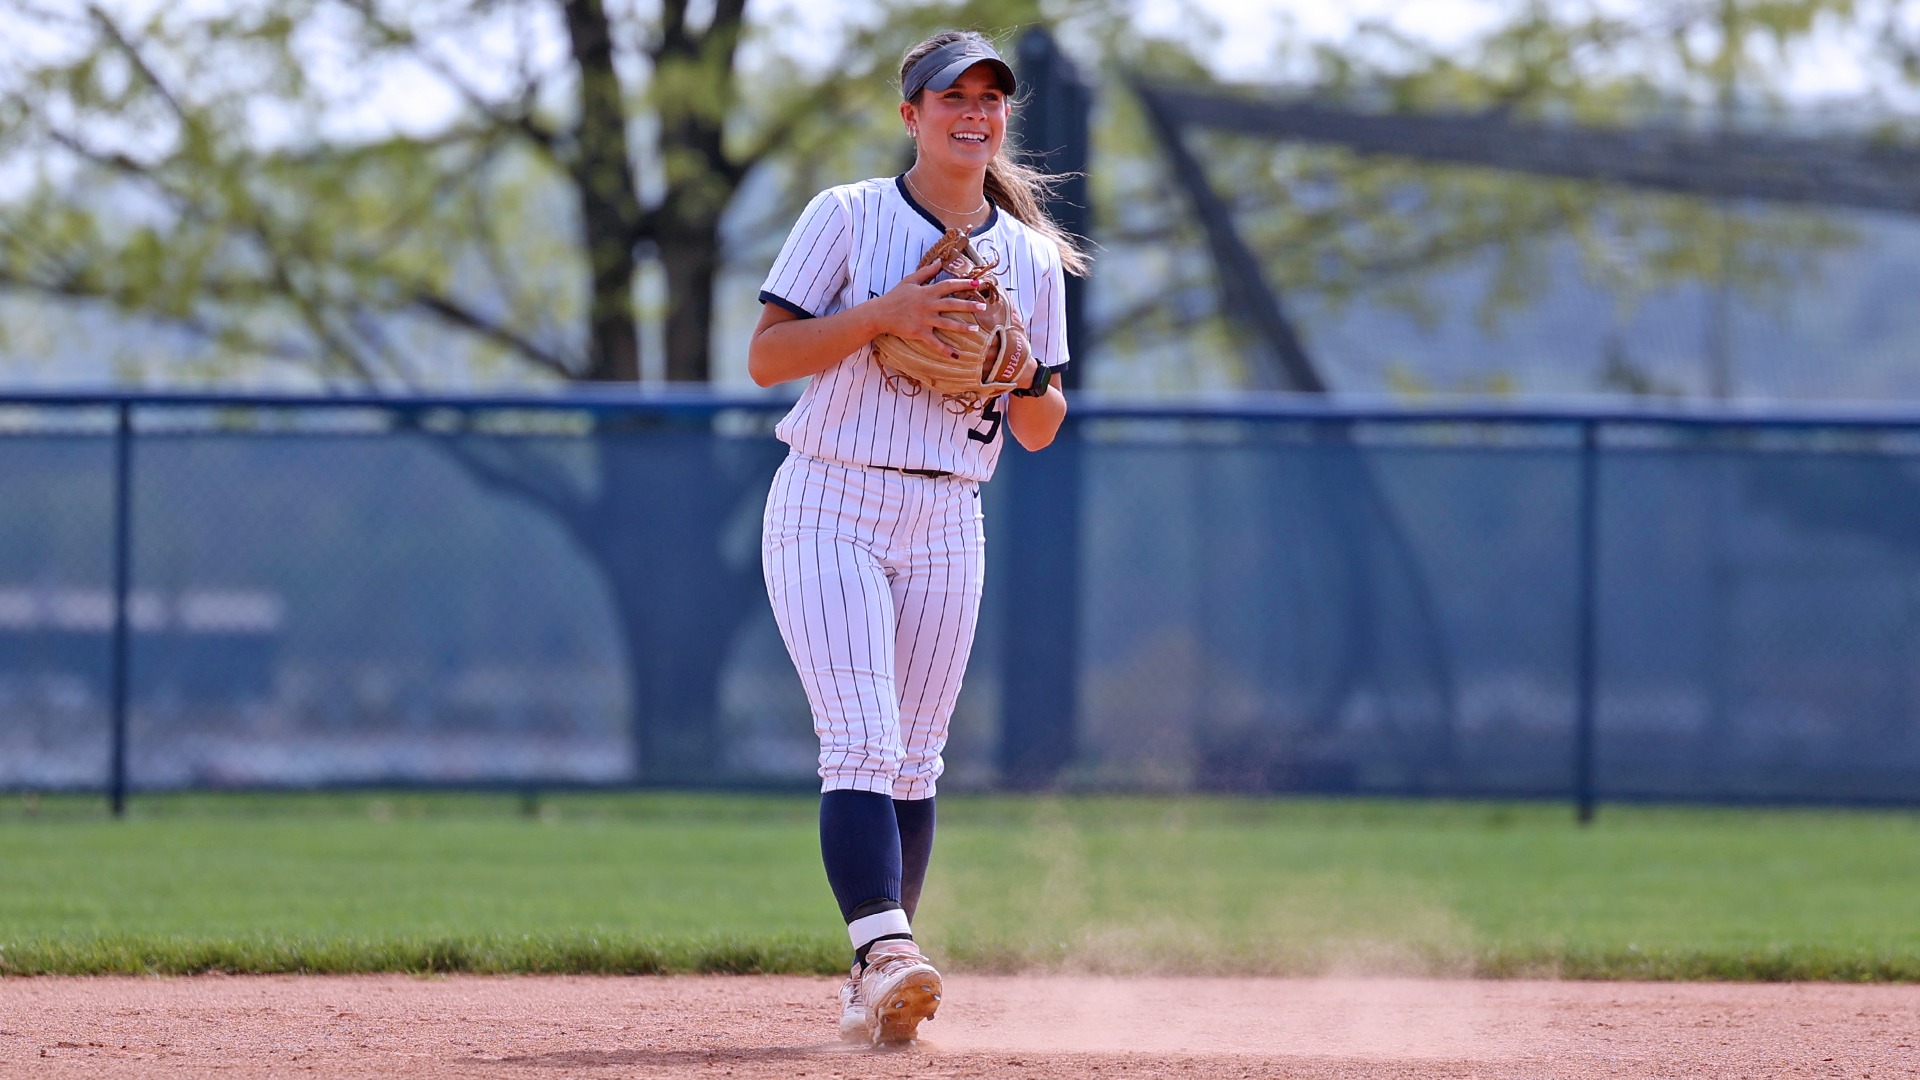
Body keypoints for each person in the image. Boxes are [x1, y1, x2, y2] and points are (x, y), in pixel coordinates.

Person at [747, 29, 1090, 1047]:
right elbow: (769, 356)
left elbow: (1039, 426)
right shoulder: (847, 215)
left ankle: (875, 976)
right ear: (912, 116)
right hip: (832, 497)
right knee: (862, 736)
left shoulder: (1030, 258)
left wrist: (1024, 366)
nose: (974, 112)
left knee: (916, 763)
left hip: (949, 511)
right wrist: (885, 312)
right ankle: (888, 950)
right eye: (952, 97)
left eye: (991, 98)